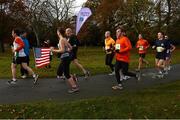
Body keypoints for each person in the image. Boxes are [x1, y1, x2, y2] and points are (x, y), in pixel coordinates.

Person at [51, 27, 79, 93]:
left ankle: (74, 87)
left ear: (59, 32)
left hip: (65, 58)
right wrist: (67, 51)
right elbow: (71, 47)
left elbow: (62, 50)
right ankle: (73, 77)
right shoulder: (65, 39)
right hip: (66, 57)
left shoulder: (61, 40)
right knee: (59, 73)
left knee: (66, 74)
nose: (57, 33)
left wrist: (53, 50)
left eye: (57, 32)